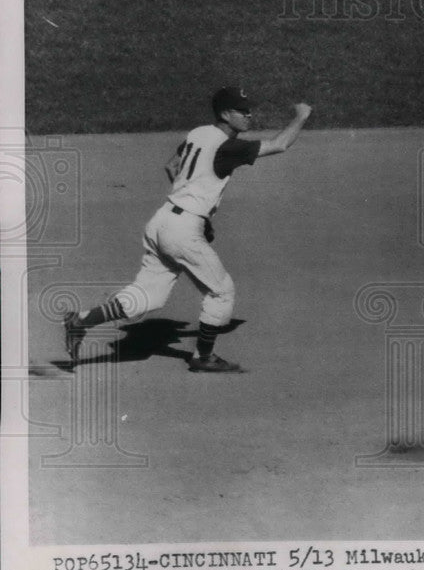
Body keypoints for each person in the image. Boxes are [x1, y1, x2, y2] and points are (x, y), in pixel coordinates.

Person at [63, 87, 313, 373]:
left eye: (248, 109)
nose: (249, 115)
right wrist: (301, 116)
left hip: (161, 221)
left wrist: (192, 203)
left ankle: (80, 320)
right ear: (224, 114)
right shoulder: (227, 146)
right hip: (182, 229)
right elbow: (280, 144)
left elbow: (172, 166)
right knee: (221, 292)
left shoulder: (198, 133)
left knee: (149, 296)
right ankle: (203, 357)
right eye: (241, 111)